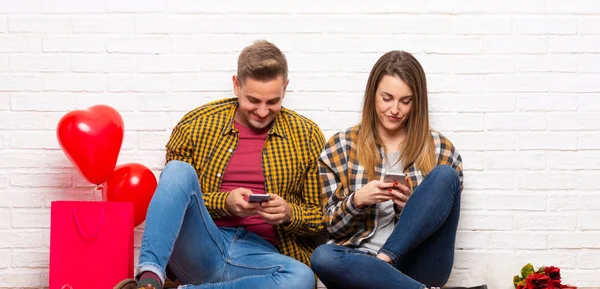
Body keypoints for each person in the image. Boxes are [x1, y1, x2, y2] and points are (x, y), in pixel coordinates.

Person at [114, 40, 326, 289]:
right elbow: (175, 198)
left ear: (285, 88)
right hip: (201, 245)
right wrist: (225, 203)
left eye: (272, 102)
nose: (262, 110)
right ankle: (149, 279)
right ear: (236, 85)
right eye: (253, 100)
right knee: (178, 170)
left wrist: (289, 213)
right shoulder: (196, 125)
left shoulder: (307, 135)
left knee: (300, 278)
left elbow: (320, 218)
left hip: (260, 257)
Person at [310, 50, 465, 289]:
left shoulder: (440, 149)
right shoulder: (341, 146)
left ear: (417, 102)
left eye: (406, 101)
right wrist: (358, 200)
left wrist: (411, 208)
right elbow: (331, 226)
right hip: (362, 264)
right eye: (387, 98)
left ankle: (385, 261)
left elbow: (443, 229)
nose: (395, 109)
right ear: (372, 95)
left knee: (445, 175)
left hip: (418, 263)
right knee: (322, 256)